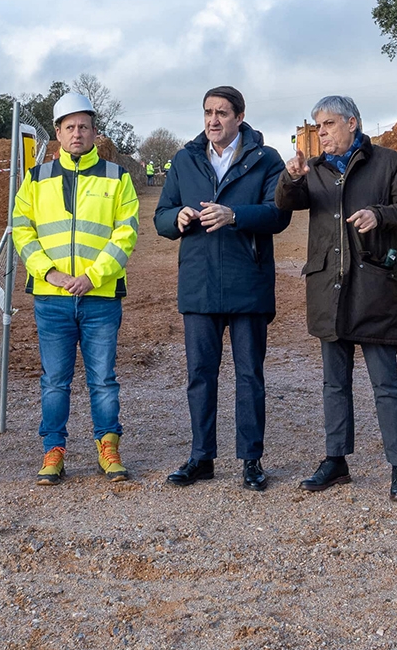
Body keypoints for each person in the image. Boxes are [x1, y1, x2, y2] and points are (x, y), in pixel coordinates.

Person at [275, 95, 397, 502]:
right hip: (328, 287)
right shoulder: (315, 170)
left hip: (373, 287)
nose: (320, 132)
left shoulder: (388, 162)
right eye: (317, 125)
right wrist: (289, 177)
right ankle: (335, 460)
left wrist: (380, 214)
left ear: (352, 123)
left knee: (386, 385)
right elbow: (284, 204)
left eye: (328, 124)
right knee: (334, 384)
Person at [154, 86, 292, 491]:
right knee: (200, 375)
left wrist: (235, 215)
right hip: (198, 284)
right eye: (208, 113)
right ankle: (202, 457)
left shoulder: (265, 159)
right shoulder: (184, 159)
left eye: (222, 113)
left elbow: (278, 214)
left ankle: (251, 459)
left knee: (249, 376)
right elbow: (161, 216)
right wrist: (175, 217)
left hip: (247, 281)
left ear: (240, 117)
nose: (213, 120)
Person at [12, 92, 140, 485]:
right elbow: (22, 230)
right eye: (70, 127)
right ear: (58, 133)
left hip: (99, 296)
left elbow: (126, 232)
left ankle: (108, 447)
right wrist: (48, 273)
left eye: (84, 126)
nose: (77, 133)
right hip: (53, 298)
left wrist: (93, 276)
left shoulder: (117, 178)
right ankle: (54, 450)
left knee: (103, 378)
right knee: (54, 380)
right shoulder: (35, 179)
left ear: (94, 131)